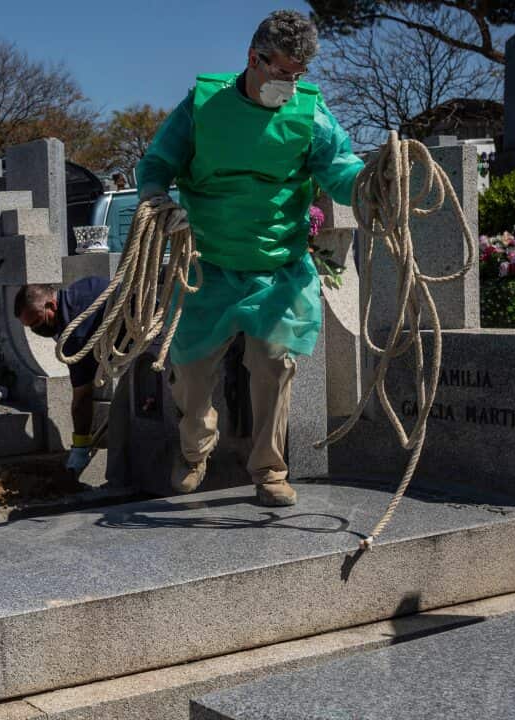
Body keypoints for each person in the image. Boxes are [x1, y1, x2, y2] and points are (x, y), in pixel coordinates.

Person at [133, 9, 363, 507]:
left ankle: (269, 469)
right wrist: (154, 193)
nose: (290, 82)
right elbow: (157, 161)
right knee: (190, 373)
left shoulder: (309, 111)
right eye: (281, 71)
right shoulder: (204, 105)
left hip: (277, 264)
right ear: (253, 58)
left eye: (299, 74)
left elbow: (339, 166)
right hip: (207, 265)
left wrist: (370, 182)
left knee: (275, 365)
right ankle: (195, 448)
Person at [15, 277, 109, 474]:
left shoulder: (75, 334)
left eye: (38, 322)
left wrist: (80, 447)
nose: (36, 330)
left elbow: (82, 398)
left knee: (123, 416)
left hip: (153, 344)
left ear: (51, 304)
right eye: (30, 328)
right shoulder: (76, 290)